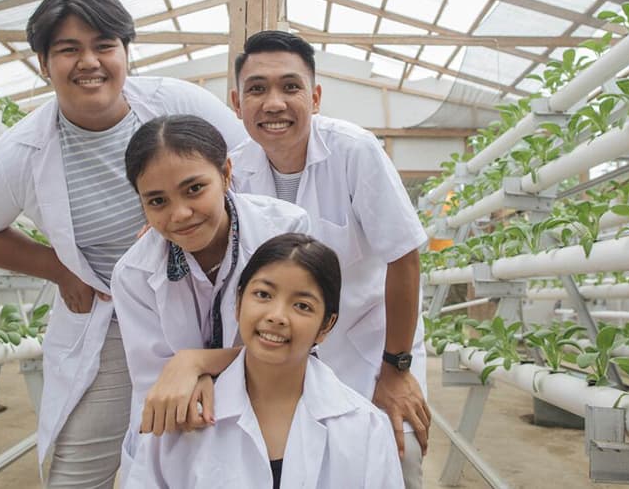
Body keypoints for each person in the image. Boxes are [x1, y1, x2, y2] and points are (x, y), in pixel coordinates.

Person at [0, 0, 247, 487]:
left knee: (217, 449)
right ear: (44, 64)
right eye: (68, 50)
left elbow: (246, 167)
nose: (89, 61)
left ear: (125, 53)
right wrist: (57, 267)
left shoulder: (176, 102)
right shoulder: (22, 152)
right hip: (113, 316)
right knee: (77, 470)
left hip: (217, 297)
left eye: (104, 45)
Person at [231, 30, 431, 487]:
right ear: (237, 102)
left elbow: (403, 258)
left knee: (399, 452)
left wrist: (396, 369)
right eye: (257, 89)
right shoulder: (234, 169)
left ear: (315, 96)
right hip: (281, 350)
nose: (274, 103)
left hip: (368, 344)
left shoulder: (354, 151)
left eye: (291, 87)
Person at [124, 233, 403, 488]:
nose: (277, 315)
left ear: (326, 327)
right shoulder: (183, 418)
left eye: (302, 306)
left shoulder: (365, 427)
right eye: (263, 294)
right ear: (238, 302)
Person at [111, 114, 310, 462]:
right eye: (157, 201)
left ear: (226, 173)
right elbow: (162, 388)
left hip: (274, 416)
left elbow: (298, 348)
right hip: (182, 437)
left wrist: (195, 362)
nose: (180, 213)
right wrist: (190, 373)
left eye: (194, 189)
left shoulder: (285, 232)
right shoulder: (134, 273)